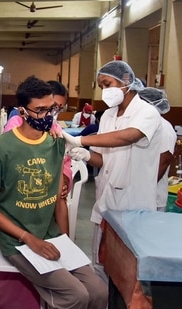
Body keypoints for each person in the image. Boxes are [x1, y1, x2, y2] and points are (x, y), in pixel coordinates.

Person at [0, 76, 108, 309]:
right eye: (39, 110)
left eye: (51, 109)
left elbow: (59, 200)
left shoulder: (56, 143)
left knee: (99, 291)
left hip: (51, 235)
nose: (47, 116)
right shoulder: (1, 148)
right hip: (18, 242)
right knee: (77, 295)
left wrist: (66, 240)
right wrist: (29, 239)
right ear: (22, 111)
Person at [62, 60, 162, 282]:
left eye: (107, 84)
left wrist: (80, 140)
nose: (104, 91)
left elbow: (129, 136)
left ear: (126, 81)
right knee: (100, 262)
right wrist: (87, 155)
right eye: (101, 86)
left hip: (132, 204)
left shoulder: (146, 112)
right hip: (106, 201)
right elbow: (103, 158)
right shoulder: (107, 116)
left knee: (127, 271)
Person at [137, 87, 177, 211]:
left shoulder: (164, 128)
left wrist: (145, 190)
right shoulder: (142, 124)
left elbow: (163, 161)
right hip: (137, 191)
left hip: (152, 195)